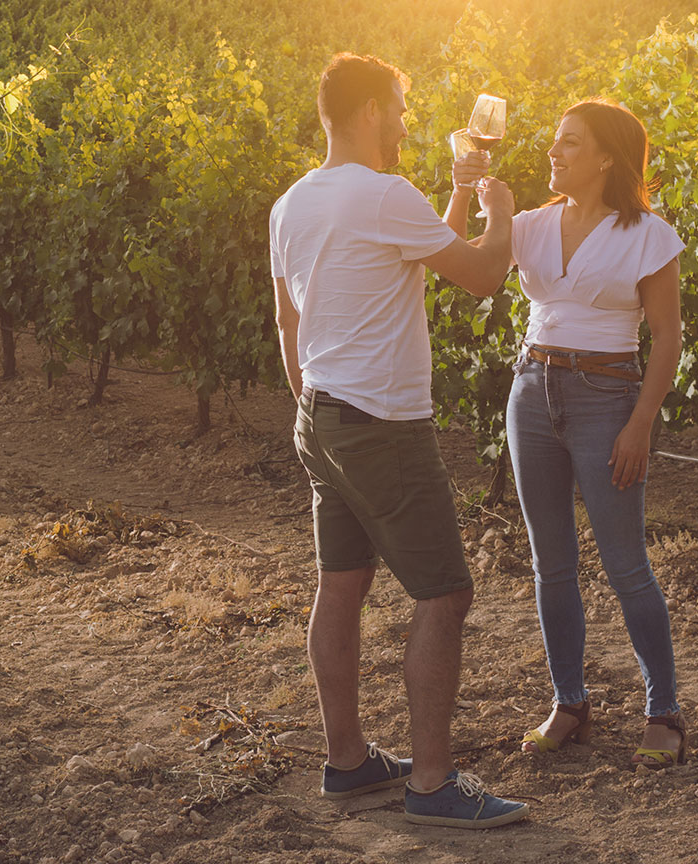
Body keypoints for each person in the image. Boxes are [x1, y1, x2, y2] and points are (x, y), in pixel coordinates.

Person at [270, 53, 528, 829]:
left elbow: (295, 319)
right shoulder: (381, 194)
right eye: (402, 110)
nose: (409, 124)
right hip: (382, 423)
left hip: (321, 414)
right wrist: (503, 212)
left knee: (340, 585)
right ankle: (433, 785)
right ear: (372, 111)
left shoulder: (293, 203)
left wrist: (454, 192)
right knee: (446, 593)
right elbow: (480, 274)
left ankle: (347, 763)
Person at [446, 99, 687, 767]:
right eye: (555, 141)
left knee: (625, 565)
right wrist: (466, 194)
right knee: (551, 563)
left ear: (606, 156)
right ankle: (570, 702)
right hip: (531, 391)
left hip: (607, 396)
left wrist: (641, 421)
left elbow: (667, 338)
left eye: (569, 143)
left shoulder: (647, 234)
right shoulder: (529, 224)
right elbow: (464, 269)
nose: (553, 152)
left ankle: (663, 708)